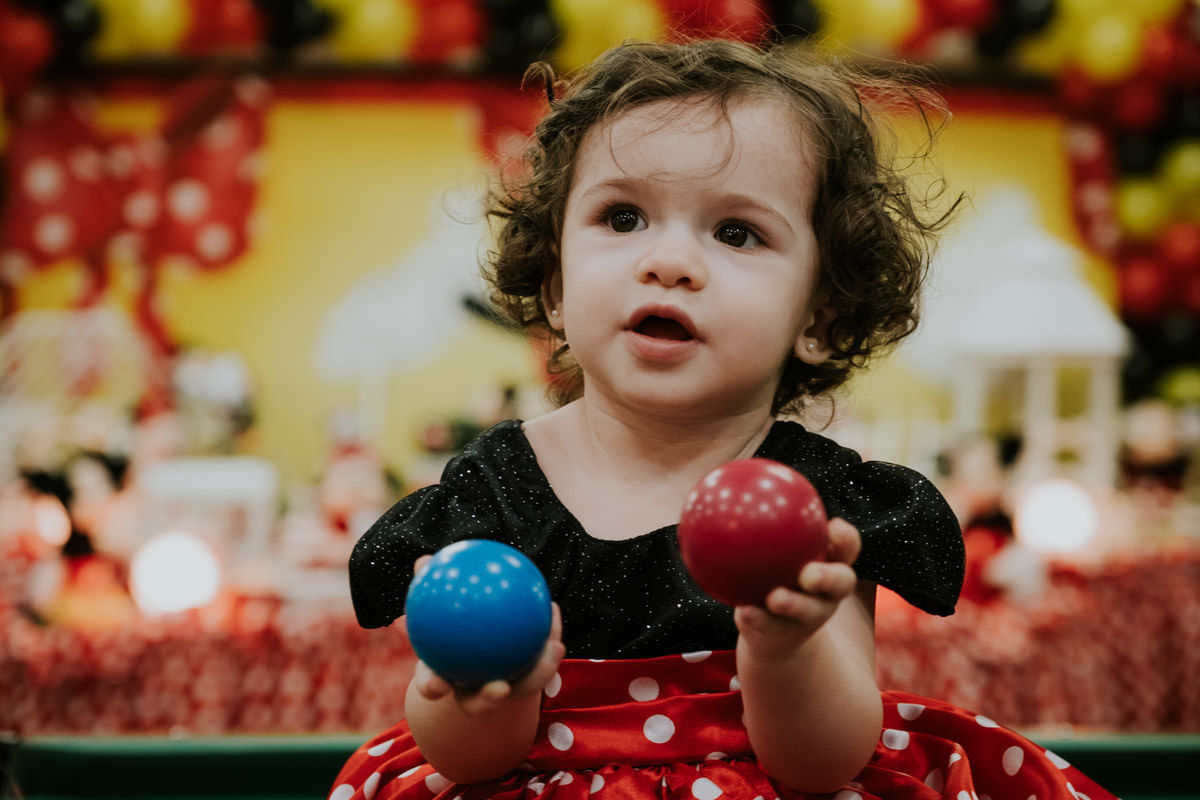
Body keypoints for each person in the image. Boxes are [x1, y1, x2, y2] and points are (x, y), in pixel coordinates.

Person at [331, 38, 1115, 800]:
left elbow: (824, 763)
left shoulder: (810, 503)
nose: (668, 261)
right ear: (556, 288)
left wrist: (782, 647)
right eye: (623, 217)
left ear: (821, 315)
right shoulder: (493, 492)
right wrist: (479, 691)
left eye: (736, 232)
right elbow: (467, 763)